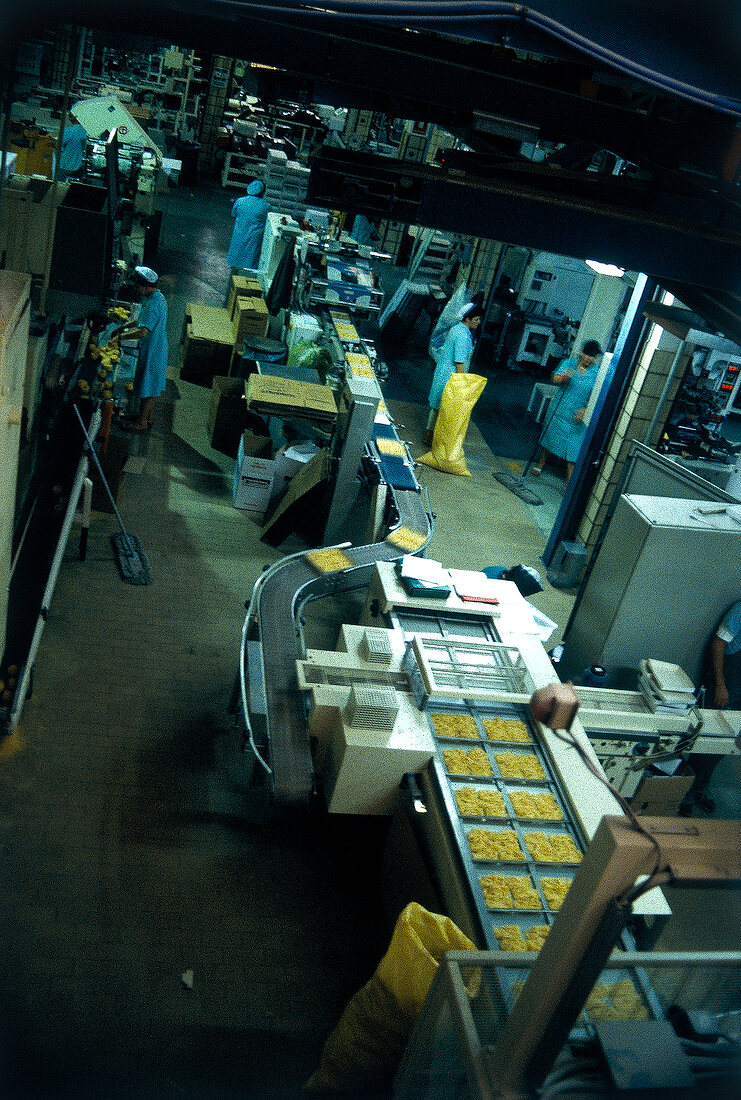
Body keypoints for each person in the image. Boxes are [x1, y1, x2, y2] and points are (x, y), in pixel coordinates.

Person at [681, 600, 741, 813]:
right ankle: (684, 791)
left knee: (729, 741)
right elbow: (718, 644)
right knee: (708, 739)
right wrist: (720, 685)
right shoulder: (740, 610)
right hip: (728, 682)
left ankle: (700, 786)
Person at [531, 339, 602, 482]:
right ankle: (541, 463)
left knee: (574, 448)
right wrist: (564, 377)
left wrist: (586, 410)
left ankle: (569, 481)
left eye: (593, 357)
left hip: (578, 415)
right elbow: (554, 379)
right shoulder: (569, 363)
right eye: (588, 355)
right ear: (582, 353)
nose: (590, 359)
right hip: (560, 410)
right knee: (549, 438)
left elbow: (598, 396)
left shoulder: (597, 374)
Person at [114, 266, 169, 433]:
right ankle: (146, 417)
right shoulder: (156, 296)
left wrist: (120, 337)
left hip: (154, 351)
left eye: (138, 287)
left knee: (148, 389)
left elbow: (142, 331)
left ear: (146, 286)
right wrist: (122, 327)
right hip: (155, 348)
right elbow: (140, 321)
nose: (137, 290)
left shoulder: (153, 304)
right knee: (150, 385)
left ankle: (142, 423)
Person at [424, 302, 483, 444]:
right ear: (467, 320)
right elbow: (460, 362)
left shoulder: (456, 329)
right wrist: (461, 384)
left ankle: (429, 435)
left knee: (437, 406)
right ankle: (433, 438)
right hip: (451, 375)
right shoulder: (462, 335)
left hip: (443, 371)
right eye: (476, 319)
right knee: (443, 408)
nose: (478, 322)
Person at [227, 179, 270, 270]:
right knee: (251, 256)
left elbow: (233, 214)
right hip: (255, 237)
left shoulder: (239, 201)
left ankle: (234, 269)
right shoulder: (266, 206)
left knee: (237, 252)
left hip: (240, 233)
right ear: (262, 192)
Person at [57, 114, 88, 180]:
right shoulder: (86, 132)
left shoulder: (68, 131)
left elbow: (58, 145)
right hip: (80, 168)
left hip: (66, 166)